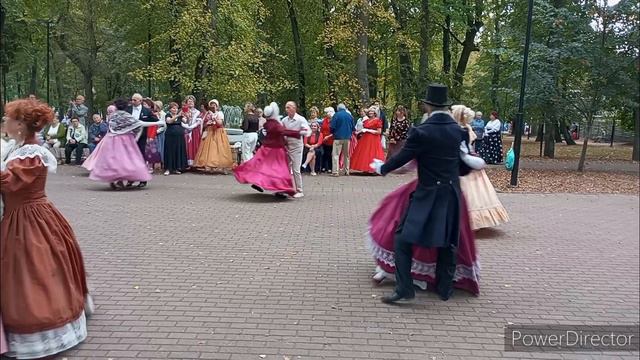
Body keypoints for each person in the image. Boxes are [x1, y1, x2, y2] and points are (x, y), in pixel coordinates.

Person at [1, 98, 94, 358]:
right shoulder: (16, 148)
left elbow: (10, 184)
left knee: (35, 270)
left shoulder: (31, 153)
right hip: (21, 215)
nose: (4, 122)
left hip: (29, 218)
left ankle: (42, 329)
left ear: (20, 125)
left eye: (8, 118)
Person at [370, 84, 473, 304]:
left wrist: (382, 168)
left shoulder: (422, 131)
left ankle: (405, 288)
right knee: (449, 241)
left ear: (427, 105)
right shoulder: (459, 131)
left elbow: (404, 156)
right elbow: (464, 167)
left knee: (403, 238)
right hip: (452, 193)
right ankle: (445, 288)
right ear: (445, 106)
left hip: (427, 193)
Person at [452, 105, 510, 230]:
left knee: (469, 192)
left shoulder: (461, 129)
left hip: (464, 162)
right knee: (475, 193)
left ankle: (470, 221)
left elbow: (464, 148)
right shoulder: (465, 128)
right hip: (468, 161)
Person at [233, 102, 306, 198]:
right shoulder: (275, 124)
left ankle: (261, 182)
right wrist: (298, 133)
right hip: (276, 150)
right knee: (280, 170)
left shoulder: (268, 123)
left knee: (262, 166)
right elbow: (284, 131)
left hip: (266, 149)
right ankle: (282, 189)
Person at [89, 98, 164, 189]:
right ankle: (121, 179)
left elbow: (111, 127)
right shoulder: (126, 116)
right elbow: (139, 124)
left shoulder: (113, 115)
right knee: (126, 160)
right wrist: (159, 122)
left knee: (114, 160)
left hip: (111, 139)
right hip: (124, 140)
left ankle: (116, 180)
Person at [194, 99, 234, 172]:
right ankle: (210, 165)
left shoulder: (220, 113)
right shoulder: (207, 114)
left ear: (217, 106)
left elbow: (220, 123)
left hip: (218, 132)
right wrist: (208, 123)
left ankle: (222, 166)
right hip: (210, 132)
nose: (213, 107)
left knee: (220, 149)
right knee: (210, 149)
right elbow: (204, 125)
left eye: (214, 105)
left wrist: (214, 118)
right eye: (211, 105)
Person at [281, 101, 311, 198]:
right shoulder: (284, 120)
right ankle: (285, 188)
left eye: (288, 107)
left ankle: (300, 190)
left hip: (297, 146)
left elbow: (308, 132)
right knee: (285, 168)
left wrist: (297, 132)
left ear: (294, 108)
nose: (286, 110)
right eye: (286, 108)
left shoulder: (300, 119)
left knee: (296, 169)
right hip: (287, 146)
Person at [350, 107, 385, 174]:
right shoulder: (366, 121)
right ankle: (365, 168)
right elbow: (363, 129)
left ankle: (374, 169)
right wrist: (359, 132)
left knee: (373, 153)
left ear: (375, 113)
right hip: (365, 139)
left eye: (372, 111)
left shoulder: (377, 120)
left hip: (374, 139)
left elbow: (379, 132)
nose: (370, 112)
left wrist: (368, 130)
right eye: (369, 111)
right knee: (365, 153)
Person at [163, 102, 188, 175]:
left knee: (178, 151)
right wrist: (177, 115)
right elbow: (169, 121)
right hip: (170, 136)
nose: (175, 109)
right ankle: (168, 168)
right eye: (173, 108)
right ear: (170, 109)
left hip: (179, 136)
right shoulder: (168, 115)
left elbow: (186, 122)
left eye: (176, 108)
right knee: (170, 151)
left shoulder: (180, 116)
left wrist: (187, 116)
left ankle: (177, 168)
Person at [329, 104, 354, 176]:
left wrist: (333, 133)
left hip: (338, 138)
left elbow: (332, 126)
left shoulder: (336, 115)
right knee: (346, 155)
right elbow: (353, 128)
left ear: (338, 109)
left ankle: (335, 172)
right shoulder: (349, 116)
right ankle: (346, 171)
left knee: (335, 154)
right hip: (347, 138)